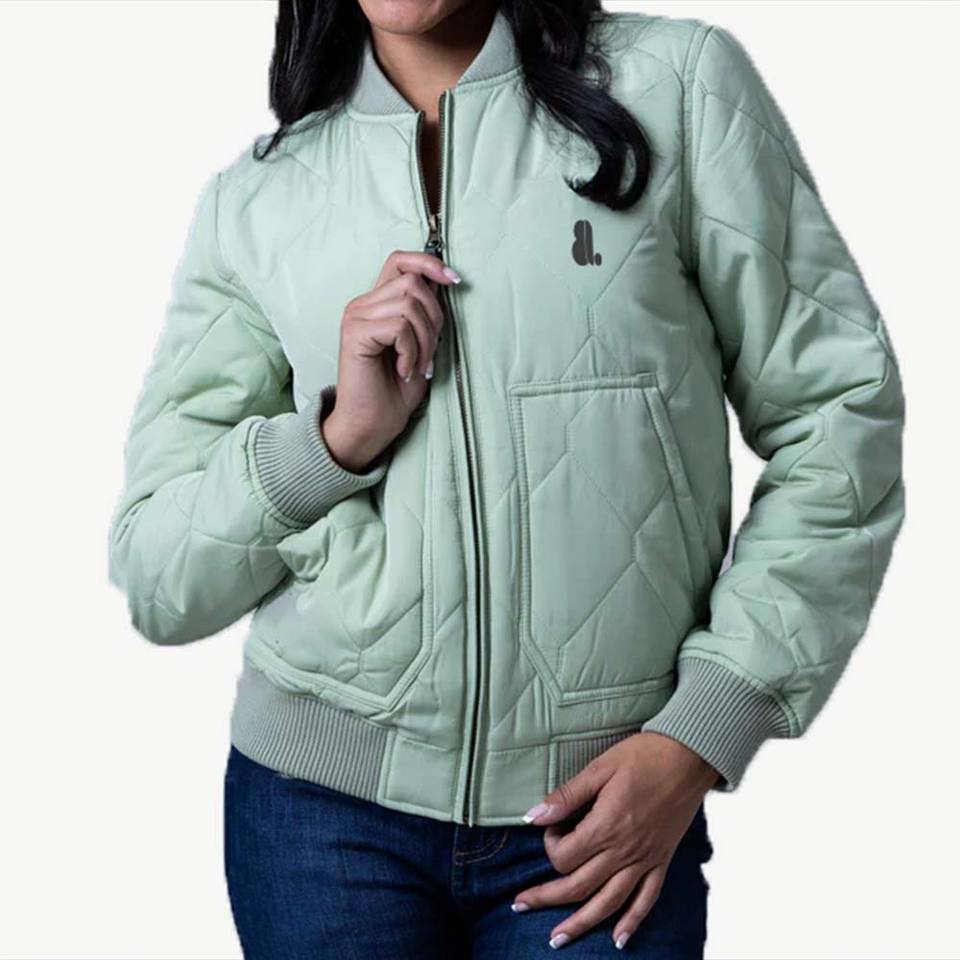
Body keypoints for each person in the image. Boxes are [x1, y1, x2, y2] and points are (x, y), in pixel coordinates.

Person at [106, 2, 906, 957]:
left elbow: (837, 411)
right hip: (319, 826)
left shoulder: (675, 89)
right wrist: (336, 440)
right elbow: (160, 577)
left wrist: (702, 730)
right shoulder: (257, 201)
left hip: (603, 817)